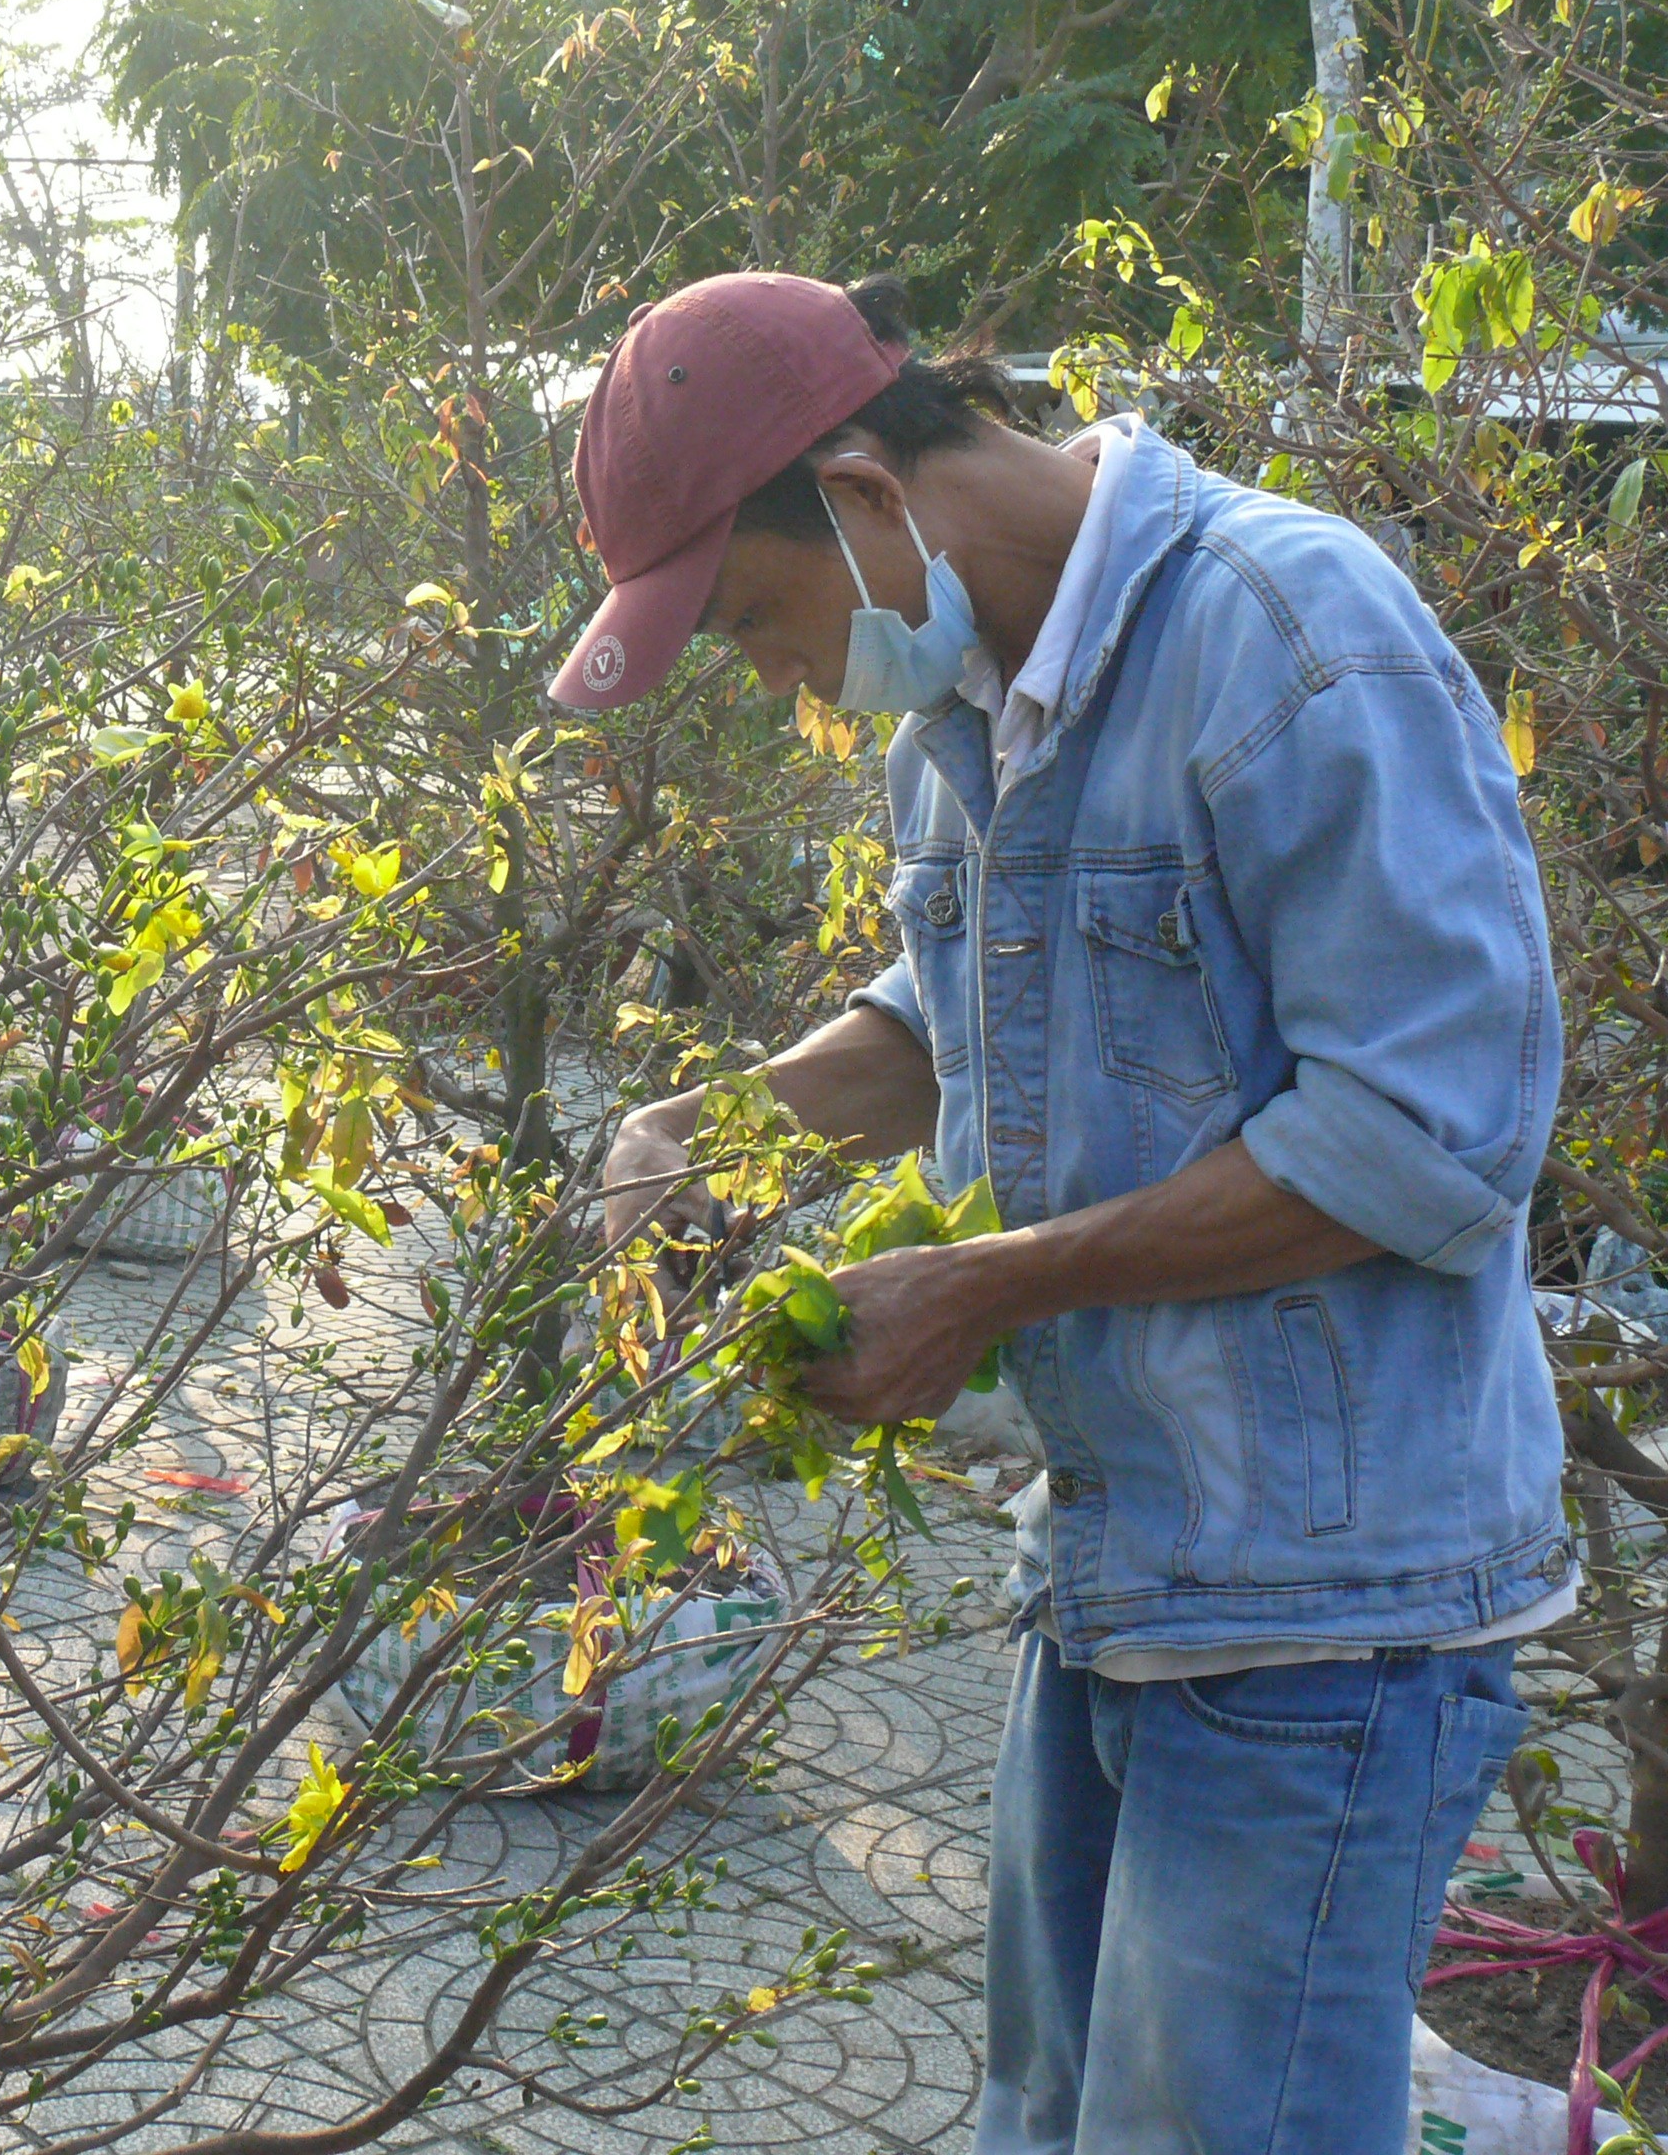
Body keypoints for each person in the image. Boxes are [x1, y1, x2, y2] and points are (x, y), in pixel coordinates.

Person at [557, 271, 1568, 2154]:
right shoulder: (968, 709)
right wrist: (701, 1126)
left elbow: (1433, 1125)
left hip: (1324, 1611)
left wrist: (986, 1287)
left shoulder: (1285, 632)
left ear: (861, 491)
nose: (777, 676)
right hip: (1117, 1566)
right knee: (1050, 2120)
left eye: (758, 620)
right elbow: (960, 1017)